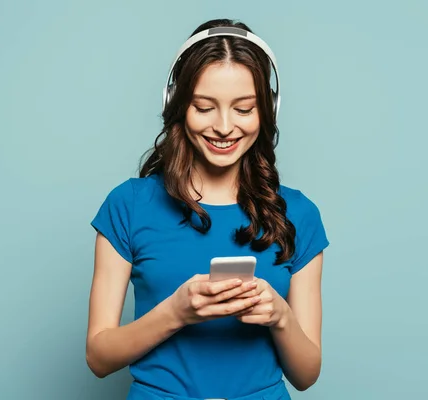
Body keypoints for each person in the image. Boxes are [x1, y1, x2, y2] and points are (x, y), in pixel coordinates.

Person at [86, 18, 329, 400]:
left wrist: (281, 317)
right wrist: (177, 312)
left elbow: (306, 375)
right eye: (204, 107)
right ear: (177, 105)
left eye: (244, 109)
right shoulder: (128, 205)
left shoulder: (299, 214)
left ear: (268, 110)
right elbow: (98, 357)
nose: (224, 126)